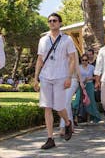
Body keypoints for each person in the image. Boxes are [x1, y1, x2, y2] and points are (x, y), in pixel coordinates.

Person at [34, 13, 76, 149]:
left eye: (55, 20)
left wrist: (69, 77)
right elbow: (39, 60)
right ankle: (50, 138)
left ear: (60, 23)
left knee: (59, 107)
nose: (52, 23)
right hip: (45, 76)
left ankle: (67, 122)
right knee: (47, 107)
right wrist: (35, 78)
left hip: (61, 76)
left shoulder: (67, 39)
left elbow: (72, 59)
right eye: (50, 21)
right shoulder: (43, 40)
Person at [58, 51, 85, 137]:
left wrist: (81, 81)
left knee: (65, 102)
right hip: (61, 81)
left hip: (73, 80)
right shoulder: (59, 51)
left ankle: (63, 127)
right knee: (66, 103)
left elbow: (76, 67)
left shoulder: (73, 52)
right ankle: (71, 126)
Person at [73, 53, 101, 123]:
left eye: (86, 60)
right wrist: (81, 81)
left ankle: (92, 118)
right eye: (83, 60)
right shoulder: (79, 67)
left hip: (89, 85)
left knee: (90, 101)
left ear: (88, 60)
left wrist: (90, 78)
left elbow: (97, 76)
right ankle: (75, 117)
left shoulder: (91, 67)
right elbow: (76, 77)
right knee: (77, 101)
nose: (84, 61)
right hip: (81, 85)